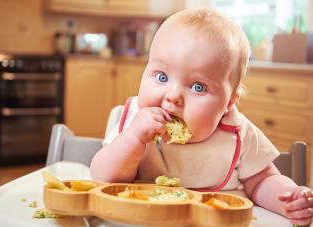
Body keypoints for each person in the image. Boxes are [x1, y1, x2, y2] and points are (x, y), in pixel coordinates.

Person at [90, 9, 312, 225]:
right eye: (162, 76)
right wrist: (133, 139)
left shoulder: (238, 133)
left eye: (198, 87)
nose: (173, 96)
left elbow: (263, 180)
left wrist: (289, 198)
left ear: (229, 103)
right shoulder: (134, 121)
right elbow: (103, 179)